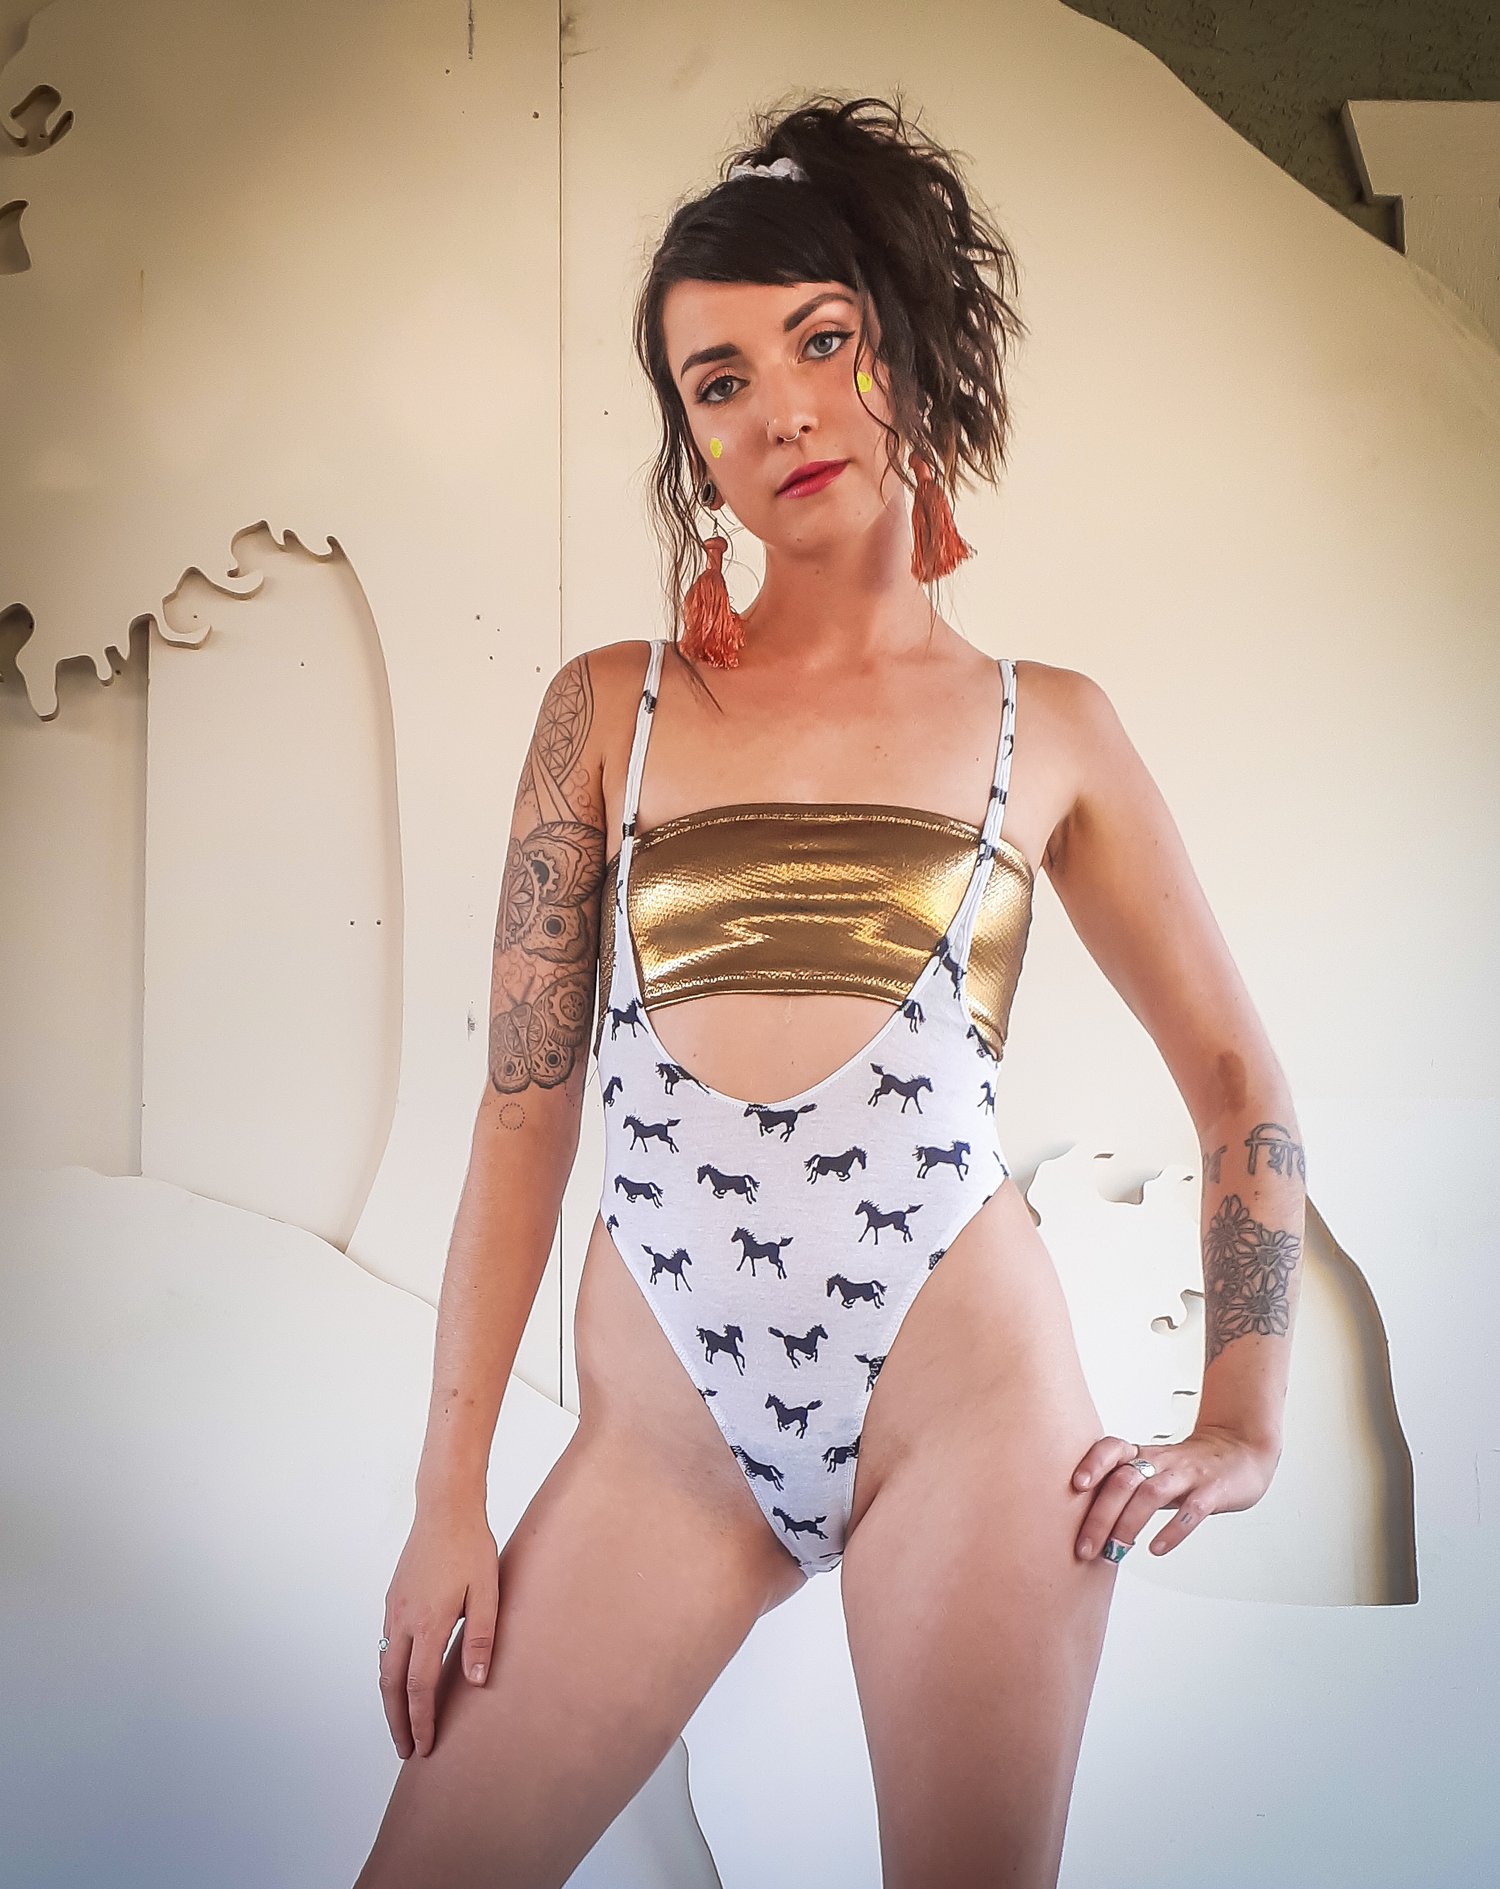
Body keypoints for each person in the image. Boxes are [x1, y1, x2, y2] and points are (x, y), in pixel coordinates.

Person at [355, 91, 1304, 1889]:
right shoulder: (608, 709)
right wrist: (446, 1496)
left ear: (906, 348)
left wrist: (1247, 1423)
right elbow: (522, 1111)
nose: (780, 409)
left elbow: (1239, 1084)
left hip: (973, 1416)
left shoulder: (1052, 727)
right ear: (691, 446)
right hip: (666, 1444)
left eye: (819, 340)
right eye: (717, 382)